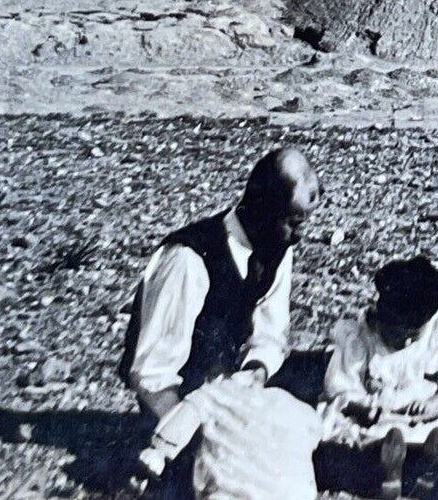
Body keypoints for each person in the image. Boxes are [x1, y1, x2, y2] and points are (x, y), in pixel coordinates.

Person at [120, 147, 321, 493]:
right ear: (262, 211)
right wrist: (208, 423)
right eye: (293, 222)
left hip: (235, 384)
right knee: (255, 452)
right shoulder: (188, 258)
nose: (300, 235)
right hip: (180, 400)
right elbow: (151, 374)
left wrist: (256, 371)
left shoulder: (276, 245)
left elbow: (272, 332)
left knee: (325, 375)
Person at [319, 256, 438, 499]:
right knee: (366, 439)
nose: (407, 342)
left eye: (414, 335)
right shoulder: (363, 335)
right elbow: (341, 386)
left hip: (423, 417)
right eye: (398, 334)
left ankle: (427, 468)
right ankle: (390, 473)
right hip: (378, 417)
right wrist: (363, 406)